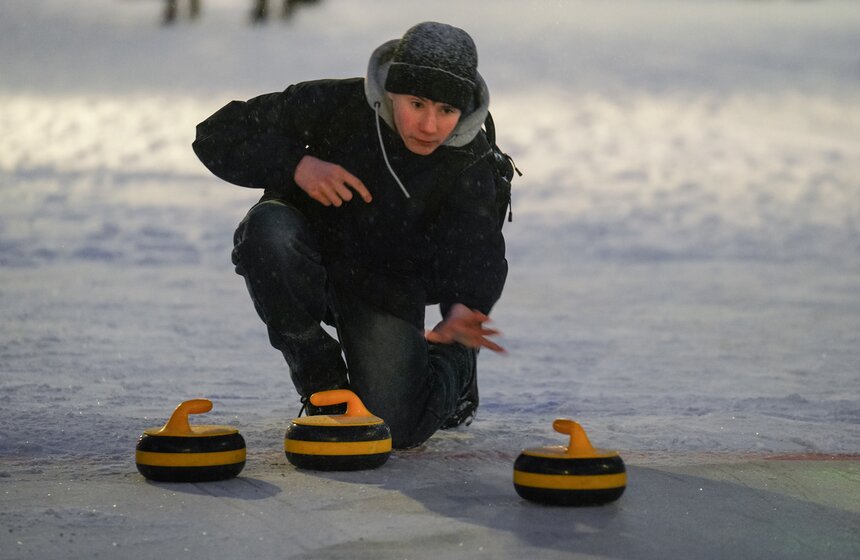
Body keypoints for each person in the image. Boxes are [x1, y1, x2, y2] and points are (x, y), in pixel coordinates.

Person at [192, 21, 508, 449]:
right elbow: (217, 132)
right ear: (391, 89)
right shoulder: (333, 105)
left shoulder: (470, 158)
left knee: (395, 427)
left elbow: (475, 247)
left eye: (447, 111)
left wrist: (463, 308)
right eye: (417, 104)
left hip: (385, 288)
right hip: (308, 257)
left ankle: (455, 366)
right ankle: (322, 386)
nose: (431, 125)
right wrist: (296, 166)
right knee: (268, 231)